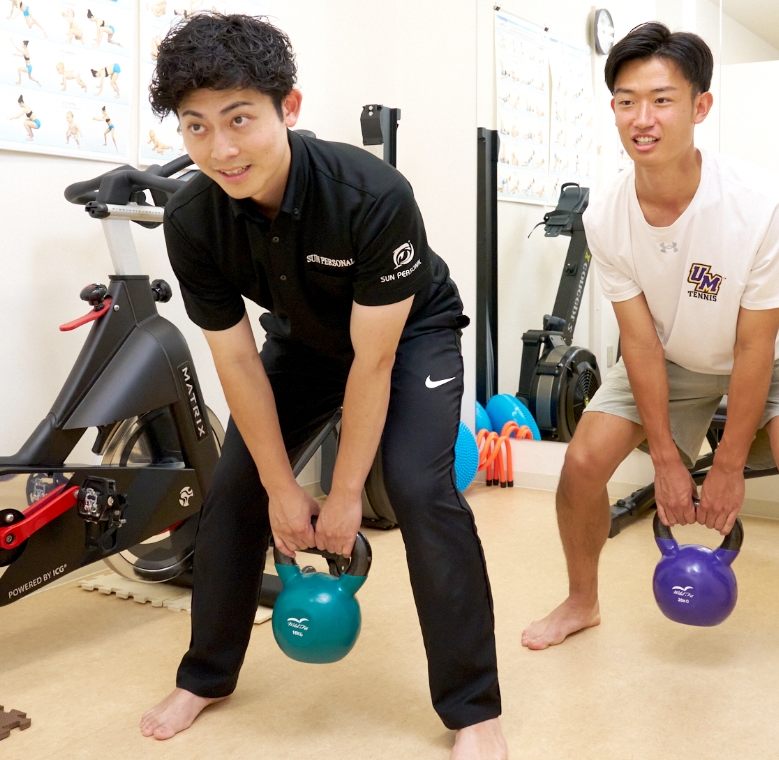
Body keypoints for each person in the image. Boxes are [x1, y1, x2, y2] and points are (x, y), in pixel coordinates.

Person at [138, 14, 506, 759]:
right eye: (196, 126)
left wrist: (342, 498)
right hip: (303, 342)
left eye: (239, 119)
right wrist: (282, 489)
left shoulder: (371, 194)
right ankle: (206, 676)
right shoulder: (192, 217)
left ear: (290, 107)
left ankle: (473, 707)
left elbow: (373, 362)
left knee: (419, 488)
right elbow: (237, 363)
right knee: (235, 490)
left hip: (409, 335)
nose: (221, 149)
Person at [521, 22, 779, 724]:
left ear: (700, 107)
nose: (642, 118)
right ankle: (582, 599)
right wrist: (667, 460)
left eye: (662, 100)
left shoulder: (763, 203)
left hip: (776, 349)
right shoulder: (607, 214)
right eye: (626, 101)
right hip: (672, 353)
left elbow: (754, 348)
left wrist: (725, 466)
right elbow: (639, 343)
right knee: (582, 462)